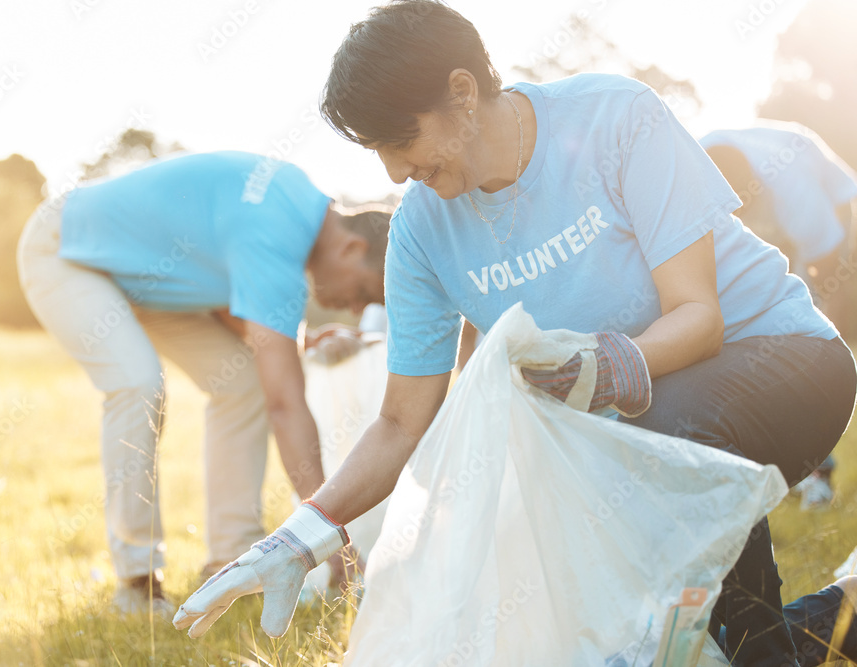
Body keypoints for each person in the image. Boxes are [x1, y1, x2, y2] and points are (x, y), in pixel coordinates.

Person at [172, 3, 857, 665]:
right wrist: (302, 535)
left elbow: (699, 317)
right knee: (633, 626)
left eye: (399, 140)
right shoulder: (421, 231)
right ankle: (834, 620)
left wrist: (602, 365)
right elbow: (401, 420)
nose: (394, 171)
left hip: (788, 365)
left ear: (462, 94)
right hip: (644, 432)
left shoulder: (616, 118)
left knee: (668, 435)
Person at [16, 150, 388, 614]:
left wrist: (303, 340)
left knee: (243, 381)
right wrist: (328, 540)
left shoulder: (295, 205)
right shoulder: (278, 235)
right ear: (352, 249)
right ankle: (137, 585)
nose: (356, 308)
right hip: (68, 251)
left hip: (142, 277)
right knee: (137, 382)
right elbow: (286, 404)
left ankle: (228, 562)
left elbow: (236, 306)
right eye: (366, 291)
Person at [701, 123, 857, 510]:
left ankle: (818, 474)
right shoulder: (690, 165)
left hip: (837, 222)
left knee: (809, 351)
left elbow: (829, 274)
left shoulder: (794, 190)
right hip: (775, 237)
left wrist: (816, 347)